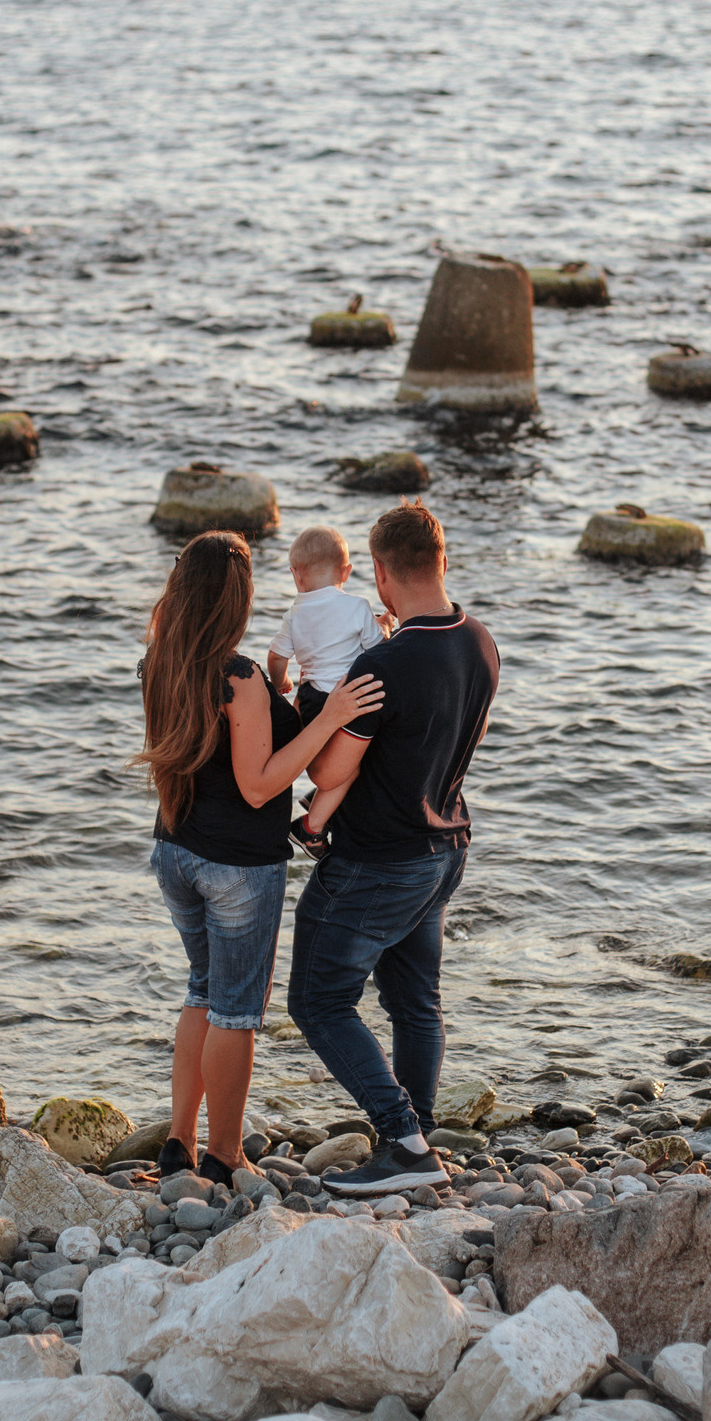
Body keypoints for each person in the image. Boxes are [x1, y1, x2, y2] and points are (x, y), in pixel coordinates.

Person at [138, 530, 383, 1182]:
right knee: (237, 1010)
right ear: (236, 598)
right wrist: (329, 717)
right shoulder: (237, 675)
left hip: (174, 848)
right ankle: (224, 1154)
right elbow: (259, 783)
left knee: (200, 991)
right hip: (236, 865)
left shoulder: (160, 657)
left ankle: (179, 1142)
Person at [284, 501, 500, 1196]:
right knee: (414, 999)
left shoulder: (382, 665)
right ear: (439, 562)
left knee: (318, 1000)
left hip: (377, 859)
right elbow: (474, 735)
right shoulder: (481, 641)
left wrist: (323, 714)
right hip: (445, 847)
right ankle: (418, 1131)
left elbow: (327, 773)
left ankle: (402, 1140)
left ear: (379, 572)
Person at [262, 525, 390, 854]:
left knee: (331, 760)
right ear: (346, 571)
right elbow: (379, 652)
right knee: (354, 766)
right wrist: (386, 628)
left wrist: (281, 683)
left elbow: (276, 656)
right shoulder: (358, 606)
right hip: (344, 700)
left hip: (308, 699)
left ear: (295, 574)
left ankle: (316, 799)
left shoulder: (294, 615)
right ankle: (311, 828)